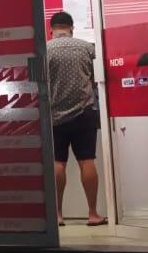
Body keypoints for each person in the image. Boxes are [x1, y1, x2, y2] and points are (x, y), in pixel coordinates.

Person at [45, 13, 106, 228]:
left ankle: (58, 215)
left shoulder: (44, 50)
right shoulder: (87, 48)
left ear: (50, 29)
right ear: (72, 28)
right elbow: (96, 79)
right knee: (87, 161)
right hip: (84, 114)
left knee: (57, 163)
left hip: (53, 116)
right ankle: (93, 214)